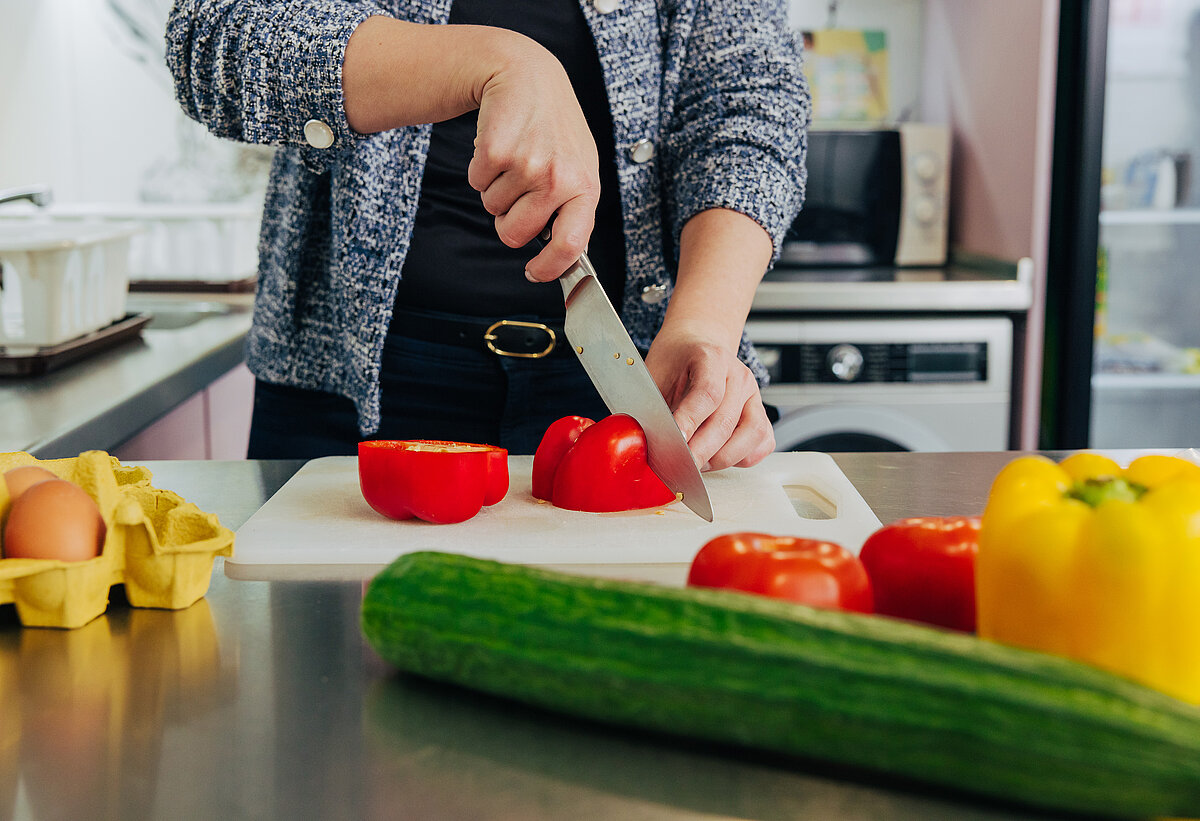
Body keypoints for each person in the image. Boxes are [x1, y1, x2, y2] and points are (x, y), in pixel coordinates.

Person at [165, 0, 809, 470]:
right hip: (347, 384)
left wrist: (704, 325)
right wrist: (497, 61)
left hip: (635, 379)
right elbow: (213, 36)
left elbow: (749, 106)